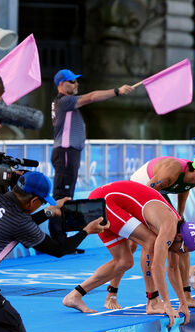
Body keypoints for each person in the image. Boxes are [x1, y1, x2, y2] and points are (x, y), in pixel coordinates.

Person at [0, 172, 106, 332]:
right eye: (42, 202)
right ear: (33, 201)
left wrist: (48, 212)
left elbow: (13, 223)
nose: (41, 206)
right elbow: (59, 249)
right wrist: (86, 231)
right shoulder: (19, 221)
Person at [61, 181, 195, 327]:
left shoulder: (177, 233)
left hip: (113, 201)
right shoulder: (169, 227)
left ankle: (75, 295)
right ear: (179, 237)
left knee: (124, 261)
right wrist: (166, 303)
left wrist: (183, 302)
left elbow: (173, 268)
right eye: (182, 249)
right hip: (106, 200)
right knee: (151, 243)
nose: (180, 253)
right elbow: (157, 266)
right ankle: (153, 301)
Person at [102, 151, 195, 310]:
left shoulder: (193, 177)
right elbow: (143, 195)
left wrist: (180, 216)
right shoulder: (170, 173)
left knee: (182, 241)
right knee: (141, 244)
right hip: (139, 190)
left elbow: (184, 188)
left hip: (159, 193)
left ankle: (186, 296)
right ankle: (114, 295)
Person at [49, 69, 134, 245]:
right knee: (62, 196)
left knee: (67, 196)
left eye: (76, 81)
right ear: (61, 85)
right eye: (72, 81)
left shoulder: (65, 103)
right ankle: (58, 240)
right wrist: (117, 91)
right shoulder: (65, 101)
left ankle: (62, 239)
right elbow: (92, 97)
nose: (76, 84)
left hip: (68, 152)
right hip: (66, 152)